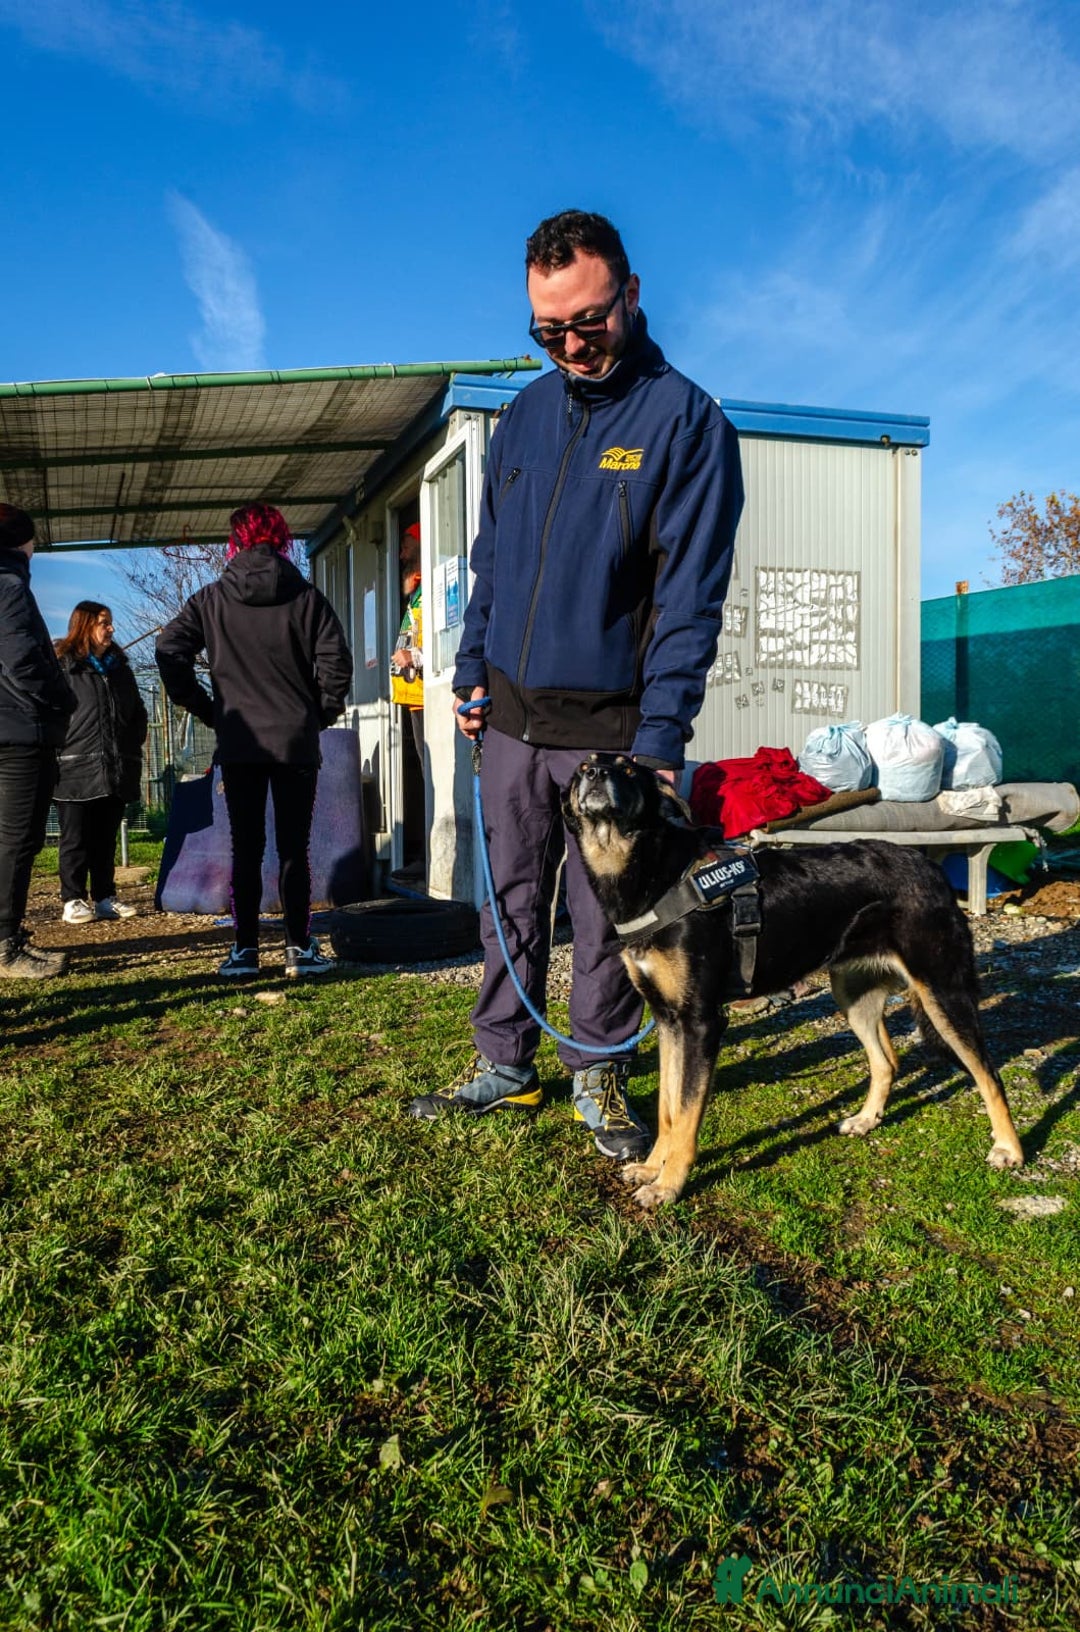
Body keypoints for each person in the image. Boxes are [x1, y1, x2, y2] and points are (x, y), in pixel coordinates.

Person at [409, 210, 744, 1158]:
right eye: (547, 330)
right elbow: (492, 565)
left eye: (587, 323)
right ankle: (504, 1066)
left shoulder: (687, 424)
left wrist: (662, 740)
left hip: (613, 729)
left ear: (631, 294)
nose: (570, 346)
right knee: (509, 898)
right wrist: (472, 673)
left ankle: (598, 1072)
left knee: (606, 914)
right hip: (508, 719)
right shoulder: (522, 418)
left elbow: (688, 603)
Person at [156, 503, 353, 979]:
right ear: (280, 538)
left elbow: (168, 649)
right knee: (293, 848)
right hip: (294, 744)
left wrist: (211, 711)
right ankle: (298, 949)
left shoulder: (211, 599)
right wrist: (314, 715)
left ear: (236, 541)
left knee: (244, 849)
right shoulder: (306, 598)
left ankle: (244, 951)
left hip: (240, 743)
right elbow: (337, 666)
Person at [0, 504, 76, 978]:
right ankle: (6, 946)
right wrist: (60, 699)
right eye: (33, 543)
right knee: (17, 839)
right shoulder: (8, 586)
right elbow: (22, 659)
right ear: (21, 544)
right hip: (19, 732)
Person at [54, 602, 148, 923]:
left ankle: (105, 897)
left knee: (105, 838)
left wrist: (130, 745)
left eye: (110, 623)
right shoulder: (64, 667)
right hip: (73, 768)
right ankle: (73, 899)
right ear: (84, 625)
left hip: (115, 766)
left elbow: (138, 712)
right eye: (104, 623)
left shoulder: (119, 667)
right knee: (75, 837)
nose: (111, 629)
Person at [390, 522, 424, 761]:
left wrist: (415, 656)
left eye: (405, 548)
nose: (401, 556)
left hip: (429, 697)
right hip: (415, 698)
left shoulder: (432, 588)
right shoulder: (415, 592)